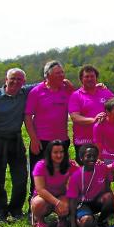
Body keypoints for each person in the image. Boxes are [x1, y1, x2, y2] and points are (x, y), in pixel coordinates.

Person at [0, 68, 31, 224]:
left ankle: (16, 211)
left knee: (21, 179)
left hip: (15, 140)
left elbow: (47, 82)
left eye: (19, 79)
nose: (16, 82)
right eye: (13, 78)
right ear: (6, 79)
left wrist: (65, 82)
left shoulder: (25, 93)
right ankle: (1, 214)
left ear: (24, 82)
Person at [24, 61, 74, 199]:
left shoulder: (66, 89)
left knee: (62, 174)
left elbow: (81, 98)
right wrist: (33, 139)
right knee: (37, 174)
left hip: (62, 141)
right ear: (47, 75)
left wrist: (73, 88)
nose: (62, 75)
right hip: (41, 141)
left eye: (62, 72)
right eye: (58, 73)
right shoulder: (36, 92)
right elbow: (28, 116)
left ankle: (62, 208)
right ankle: (33, 207)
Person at [68, 65, 114, 164]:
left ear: (96, 78)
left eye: (92, 76)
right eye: (86, 76)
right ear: (81, 79)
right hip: (84, 142)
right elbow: (75, 117)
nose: (90, 79)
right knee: (86, 174)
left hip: (103, 141)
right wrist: (94, 120)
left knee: (103, 172)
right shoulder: (76, 96)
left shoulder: (104, 92)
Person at [30, 140, 79, 227]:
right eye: (55, 152)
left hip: (61, 195)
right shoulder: (40, 165)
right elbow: (40, 189)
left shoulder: (70, 165)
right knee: (37, 203)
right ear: (49, 153)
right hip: (44, 197)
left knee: (69, 202)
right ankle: (40, 221)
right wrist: (57, 203)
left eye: (61, 152)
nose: (59, 155)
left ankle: (62, 219)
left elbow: (83, 175)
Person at [67, 144, 113, 227]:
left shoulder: (103, 168)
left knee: (109, 197)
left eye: (94, 156)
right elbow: (72, 201)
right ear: (81, 158)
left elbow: (108, 188)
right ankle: (77, 221)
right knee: (86, 222)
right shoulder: (76, 176)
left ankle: (101, 221)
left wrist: (109, 206)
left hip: (96, 202)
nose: (92, 159)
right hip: (82, 204)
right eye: (88, 156)